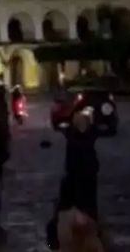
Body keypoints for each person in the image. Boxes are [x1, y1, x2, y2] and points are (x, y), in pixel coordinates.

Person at [46, 108, 101, 251]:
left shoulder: (85, 137)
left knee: (87, 222)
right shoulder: (76, 137)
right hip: (76, 183)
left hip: (84, 184)